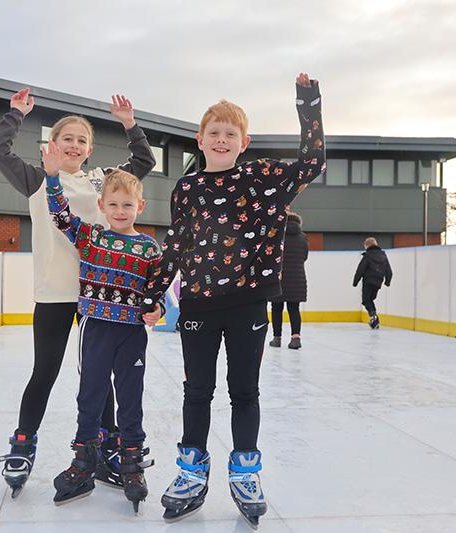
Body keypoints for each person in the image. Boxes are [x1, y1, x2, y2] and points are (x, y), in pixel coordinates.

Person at [140, 73, 325, 526]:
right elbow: (177, 244)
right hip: (199, 304)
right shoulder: (188, 189)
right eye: (214, 133)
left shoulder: (263, 178)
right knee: (196, 391)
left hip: (247, 304)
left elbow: (312, 160)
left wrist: (309, 101)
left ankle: (245, 470)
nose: (221, 139)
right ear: (200, 140)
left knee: (244, 391)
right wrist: (155, 294)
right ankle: (191, 471)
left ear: (244, 142)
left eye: (230, 134)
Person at [0, 88, 155, 497]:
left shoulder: (101, 181)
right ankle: (23, 442)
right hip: (55, 293)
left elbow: (144, 163)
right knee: (45, 371)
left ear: (90, 149)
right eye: (68, 138)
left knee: (100, 377)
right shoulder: (37, 178)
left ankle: (107, 443)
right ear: (53, 144)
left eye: (82, 140)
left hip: (100, 294)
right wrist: (15, 114)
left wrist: (130, 125)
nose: (75, 145)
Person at [42, 142, 162, 512]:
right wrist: (51, 177)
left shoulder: (149, 249)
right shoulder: (91, 236)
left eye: (128, 205)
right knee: (90, 395)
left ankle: (131, 462)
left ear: (139, 207)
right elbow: (60, 215)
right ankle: (84, 460)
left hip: (130, 334)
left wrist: (156, 309)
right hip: (95, 328)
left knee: (130, 399)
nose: (120, 211)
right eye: (113, 204)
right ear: (102, 207)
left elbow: (157, 296)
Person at [269, 212, 309, 349]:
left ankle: (277, 338)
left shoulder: (277, 236)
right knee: (294, 308)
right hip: (297, 278)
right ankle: (295, 338)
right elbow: (304, 256)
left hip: (279, 278)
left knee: (276, 308)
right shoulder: (303, 237)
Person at [353, 237, 393, 329]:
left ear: (366, 246)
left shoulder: (367, 256)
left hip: (368, 281)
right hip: (378, 282)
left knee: (366, 300)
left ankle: (374, 317)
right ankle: (374, 318)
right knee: (370, 299)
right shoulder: (383, 255)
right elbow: (389, 271)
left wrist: (355, 282)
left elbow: (360, 270)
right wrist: (387, 281)